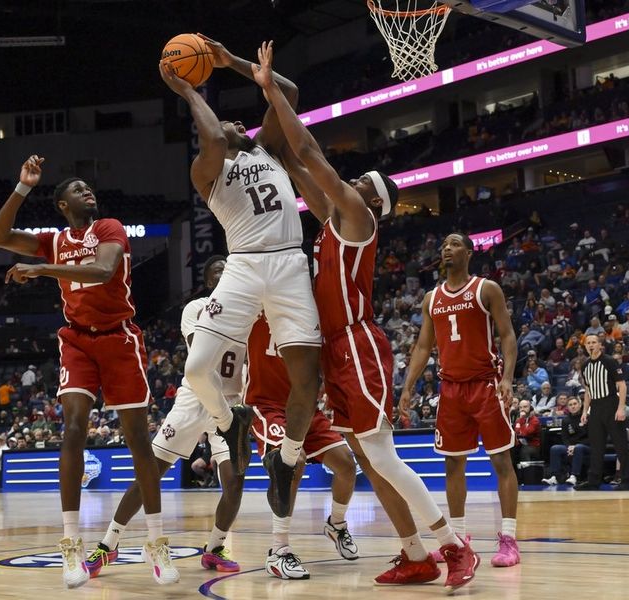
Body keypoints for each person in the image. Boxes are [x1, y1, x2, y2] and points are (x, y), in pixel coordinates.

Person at [252, 42, 477, 591]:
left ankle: (454, 545)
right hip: (335, 348)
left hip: (356, 344)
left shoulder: (356, 216)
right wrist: (268, 147)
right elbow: (297, 166)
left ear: (370, 199)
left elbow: (306, 151)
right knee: (372, 462)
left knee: (379, 454)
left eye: (358, 183)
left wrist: (270, 90)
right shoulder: (334, 219)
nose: (346, 184)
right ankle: (415, 554)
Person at [0, 156, 177, 588]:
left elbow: (102, 270)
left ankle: (157, 543)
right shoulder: (53, 240)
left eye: (88, 187)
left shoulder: (108, 227)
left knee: (139, 444)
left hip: (120, 339)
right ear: (61, 205)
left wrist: (41, 269)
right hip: (77, 340)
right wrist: (22, 188)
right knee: (73, 428)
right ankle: (71, 545)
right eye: (76, 189)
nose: (86, 191)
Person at [159, 37, 322, 515]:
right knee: (195, 369)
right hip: (245, 265)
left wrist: (231, 62)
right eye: (229, 120)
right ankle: (228, 422)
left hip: (291, 263)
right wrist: (189, 90)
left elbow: (287, 94)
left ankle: (287, 459)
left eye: (237, 120)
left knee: (306, 382)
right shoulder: (206, 171)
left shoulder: (267, 149)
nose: (236, 123)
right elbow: (211, 138)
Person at [88, 255, 247, 577]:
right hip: (196, 398)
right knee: (151, 472)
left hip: (231, 403)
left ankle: (214, 547)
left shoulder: (251, 310)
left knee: (235, 481)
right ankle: (109, 543)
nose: (225, 272)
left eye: (230, 269)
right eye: (218, 270)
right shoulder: (197, 308)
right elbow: (198, 354)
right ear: (208, 281)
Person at [401, 231, 520, 569]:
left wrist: (508, 378)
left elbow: (507, 335)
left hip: (485, 384)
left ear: (469, 253)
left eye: (453, 244)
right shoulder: (431, 298)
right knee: (453, 463)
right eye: (443, 245)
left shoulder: (487, 289)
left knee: (501, 462)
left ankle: (509, 539)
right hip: (450, 389)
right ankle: (457, 539)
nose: (446, 249)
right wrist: (408, 386)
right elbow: (424, 347)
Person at [246, 314, 360, 579]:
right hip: (268, 405)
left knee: (346, 464)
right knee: (290, 465)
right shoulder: (254, 303)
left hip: (306, 406)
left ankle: (337, 524)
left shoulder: (308, 309)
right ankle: (278, 550)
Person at [575, 334, 629, 490]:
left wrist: (621, 408)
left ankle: (626, 480)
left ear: (600, 345)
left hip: (611, 403)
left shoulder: (609, 361)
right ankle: (593, 481)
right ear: (585, 346)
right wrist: (585, 411)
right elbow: (588, 391)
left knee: (620, 444)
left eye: (594, 342)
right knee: (596, 446)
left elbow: (622, 385)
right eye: (588, 343)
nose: (591, 345)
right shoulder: (585, 365)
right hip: (596, 407)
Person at [542, 397, 590, 486]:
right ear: (567, 407)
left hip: (586, 446)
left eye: (575, 404)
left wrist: (575, 446)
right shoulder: (566, 420)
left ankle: (574, 476)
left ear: (580, 405)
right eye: (570, 405)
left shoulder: (587, 417)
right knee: (555, 448)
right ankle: (555, 477)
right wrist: (569, 447)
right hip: (571, 446)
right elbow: (564, 437)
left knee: (578, 448)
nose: (573, 406)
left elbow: (591, 437)